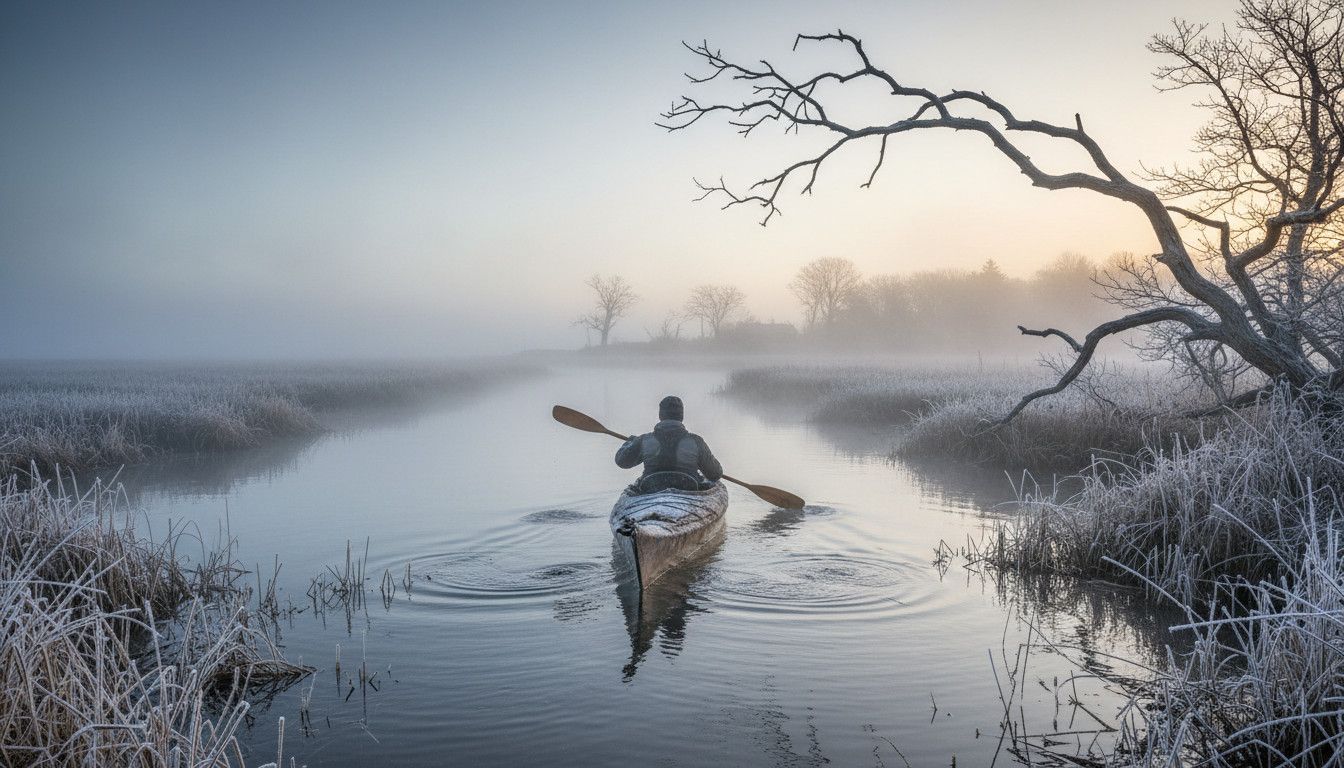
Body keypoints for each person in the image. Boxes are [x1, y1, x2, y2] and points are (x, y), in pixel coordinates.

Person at [615, 395, 723, 494]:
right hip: (688, 488)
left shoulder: (644, 440)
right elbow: (715, 474)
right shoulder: (696, 441)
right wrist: (697, 461)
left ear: (660, 415)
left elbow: (622, 462)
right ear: (681, 416)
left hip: (651, 488)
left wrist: (630, 442)